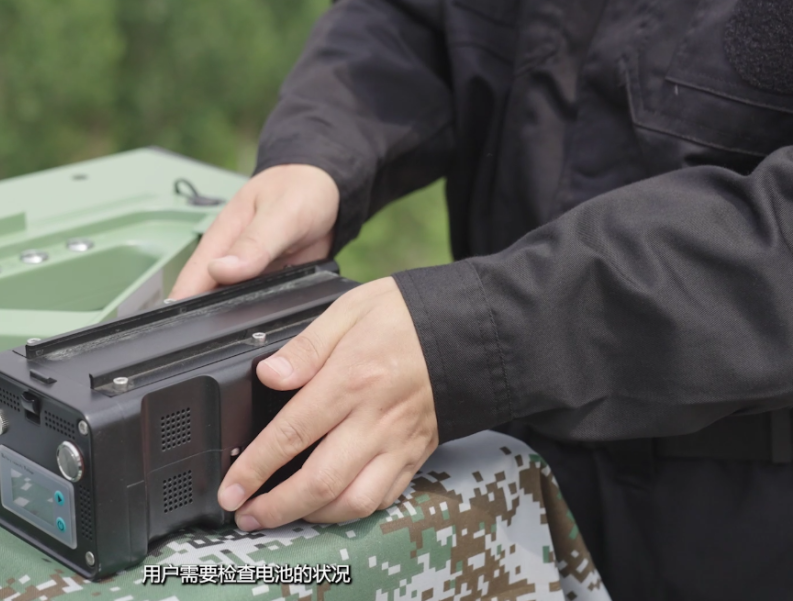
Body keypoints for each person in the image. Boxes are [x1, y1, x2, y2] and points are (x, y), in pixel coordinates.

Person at [168, 0, 793, 599]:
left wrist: (477, 338)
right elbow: (410, 17)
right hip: (498, 464)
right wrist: (318, 153)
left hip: (740, 525)